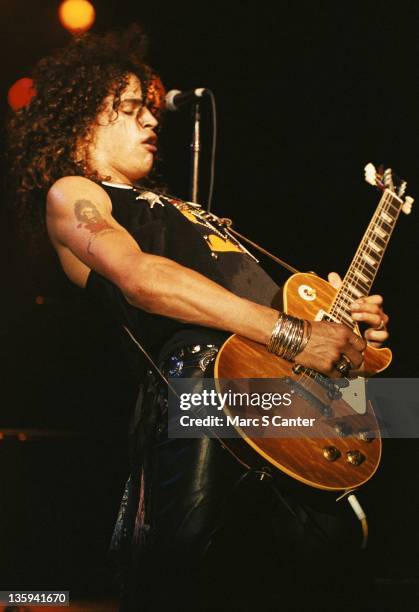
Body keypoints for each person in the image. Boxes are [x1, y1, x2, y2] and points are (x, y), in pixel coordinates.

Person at [8, 26, 389, 612]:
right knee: (200, 568)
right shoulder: (76, 193)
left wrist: (343, 330)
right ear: (83, 116)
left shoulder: (190, 211)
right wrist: (295, 335)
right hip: (201, 386)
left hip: (282, 395)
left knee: (316, 567)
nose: (152, 122)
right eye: (132, 109)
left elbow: (281, 308)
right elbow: (142, 280)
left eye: (151, 110)